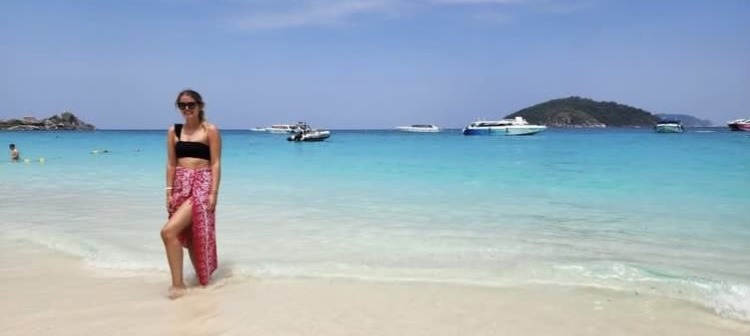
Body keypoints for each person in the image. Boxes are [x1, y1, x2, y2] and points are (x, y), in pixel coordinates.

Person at [160, 89, 222, 299]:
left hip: (202, 185)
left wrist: (214, 193)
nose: (187, 108)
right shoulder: (174, 132)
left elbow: (215, 163)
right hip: (180, 186)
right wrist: (168, 191)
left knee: (168, 232)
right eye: (182, 105)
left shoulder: (210, 130)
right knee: (188, 236)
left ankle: (178, 285)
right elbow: (170, 164)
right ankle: (203, 285)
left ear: (200, 105)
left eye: (191, 104)